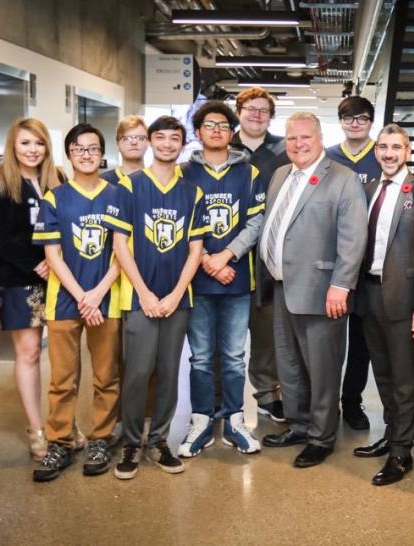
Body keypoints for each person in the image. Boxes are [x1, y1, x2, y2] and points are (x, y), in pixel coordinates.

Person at [259, 112, 368, 468]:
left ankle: (321, 437)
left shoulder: (342, 179)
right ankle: (300, 424)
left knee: (322, 370)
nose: (299, 145)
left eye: (305, 138)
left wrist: (340, 285)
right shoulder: (280, 175)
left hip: (323, 293)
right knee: (289, 366)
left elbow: (353, 240)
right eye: (292, 139)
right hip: (282, 287)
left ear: (320, 138)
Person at [104, 115, 207, 480]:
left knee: (167, 372)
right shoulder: (128, 187)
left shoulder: (193, 192)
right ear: (149, 142)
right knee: (137, 373)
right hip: (139, 298)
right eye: (159, 138)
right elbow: (119, 245)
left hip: (177, 299)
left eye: (173, 138)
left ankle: (159, 440)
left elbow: (196, 250)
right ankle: (133, 442)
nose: (166, 144)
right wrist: (145, 293)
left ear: (182, 144)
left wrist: (177, 294)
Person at [352, 124, 414, 485]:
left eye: (396, 147)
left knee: (404, 380)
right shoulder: (370, 189)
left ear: (408, 152)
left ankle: (402, 452)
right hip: (369, 295)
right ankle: (392, 434)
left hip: (405, 300)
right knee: (383, 374)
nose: (388, 154)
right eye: (383, 147)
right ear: (376, 152)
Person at [31, 124, 122, 481]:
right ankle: (61, 442)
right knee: (62, 379)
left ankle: (101, 438)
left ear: (102, 154)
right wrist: (82, 295)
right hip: (64, 300)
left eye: (93, 148)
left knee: (106, 376)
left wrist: (97, 292)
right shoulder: (54, 198)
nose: (86, 154)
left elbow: (122, 253)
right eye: (78, 148)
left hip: (107, 298)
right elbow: (52, 255)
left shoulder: (118, 195)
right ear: (69, 154)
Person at [178, 101, 264, 458]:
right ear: (198, 133)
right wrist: (207, 263)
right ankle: (200, 420)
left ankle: (234, 420)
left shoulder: (250, 173)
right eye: (209, 125)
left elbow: (256, 222)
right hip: (195, 282)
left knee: (232, 357)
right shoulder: (182, 173)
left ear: (232, 132)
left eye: (223, 125)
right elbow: (178, 228)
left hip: (237, 279)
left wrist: (226, 256)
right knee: (200, 357)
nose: (216, 130)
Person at [0, 117, 64, 461]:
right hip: (20, 279)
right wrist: (37, 264)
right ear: (13, 146)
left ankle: (63, 424)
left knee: (64, 355)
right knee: (29, 353)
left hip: (60, 278)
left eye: (39, 143)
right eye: (25, 143)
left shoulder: (58, 180)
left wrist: (56, 262)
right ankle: (37, 429)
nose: (32, 150)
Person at [230, 86, 288, 423]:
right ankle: (221, 400)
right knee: (227, 334)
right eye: (250, 108)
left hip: (269, 255)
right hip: (226, 255)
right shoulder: (223, 146)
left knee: (266, 331)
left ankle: (268, 394)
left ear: (270, 116)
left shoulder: (283, 151)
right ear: (239, 112)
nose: (256, 114)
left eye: (263, 110)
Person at [326, 96, 384, 431]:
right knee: (330, 339)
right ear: (341, 121)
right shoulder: (329, 157)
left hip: (370, 263)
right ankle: (325, 401)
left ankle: (352, 401)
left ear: (370, 122)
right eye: (348, 118)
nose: (355, 123)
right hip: (332, 261)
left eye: (362, 118)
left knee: (362, 341)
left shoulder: (381, 154)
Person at [102, 115, 149, 185]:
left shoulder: (157, 180)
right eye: (126, 138)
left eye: (140, 138)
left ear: (148, 143)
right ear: (117, 144)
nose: (134, 142)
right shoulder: (103, 181)